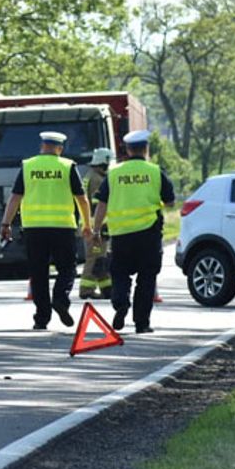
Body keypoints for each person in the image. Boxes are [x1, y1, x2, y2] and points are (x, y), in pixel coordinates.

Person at [0, 131, 92, 329]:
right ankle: (60, 298)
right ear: (60, 148)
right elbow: (81, 198)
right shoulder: (67, 166)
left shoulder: (28, 165)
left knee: (38, 272)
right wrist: (87, 225)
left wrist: (5, 224)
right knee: (67, 268)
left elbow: (15, 197)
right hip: (63, 227)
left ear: (42, 146)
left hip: (34, 228)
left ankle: (42, 318)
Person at [91, 130, 175, 333]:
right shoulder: (155, 171)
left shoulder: (114, 173)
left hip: (120, 234)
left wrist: (96, 230)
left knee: (119, 273)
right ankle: (141, 323)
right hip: (149, 234)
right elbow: (171, 201)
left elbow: (102, 203)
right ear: (145, 149)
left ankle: (120, 304)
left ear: (128, 150)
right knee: (146, 278)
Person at [78, 147, 114, 300]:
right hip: (96, 225)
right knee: (94, 257)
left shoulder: (90, 176)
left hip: (90, 224)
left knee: (100, 257)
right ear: (103, 163)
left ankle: (107, 288)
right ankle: (86, 290)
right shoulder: (98, 180)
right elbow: (99, 205)